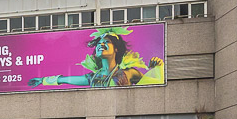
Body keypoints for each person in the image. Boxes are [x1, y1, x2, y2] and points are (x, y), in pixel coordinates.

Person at [28, 27, 163, 89]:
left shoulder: (129, 73)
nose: (101, 45)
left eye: (107, 42)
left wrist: (158, 67)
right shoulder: (92, 77)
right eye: (99, 43)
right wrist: (43, 80)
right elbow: (65, 79)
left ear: (116, 48)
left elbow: (155, 85)